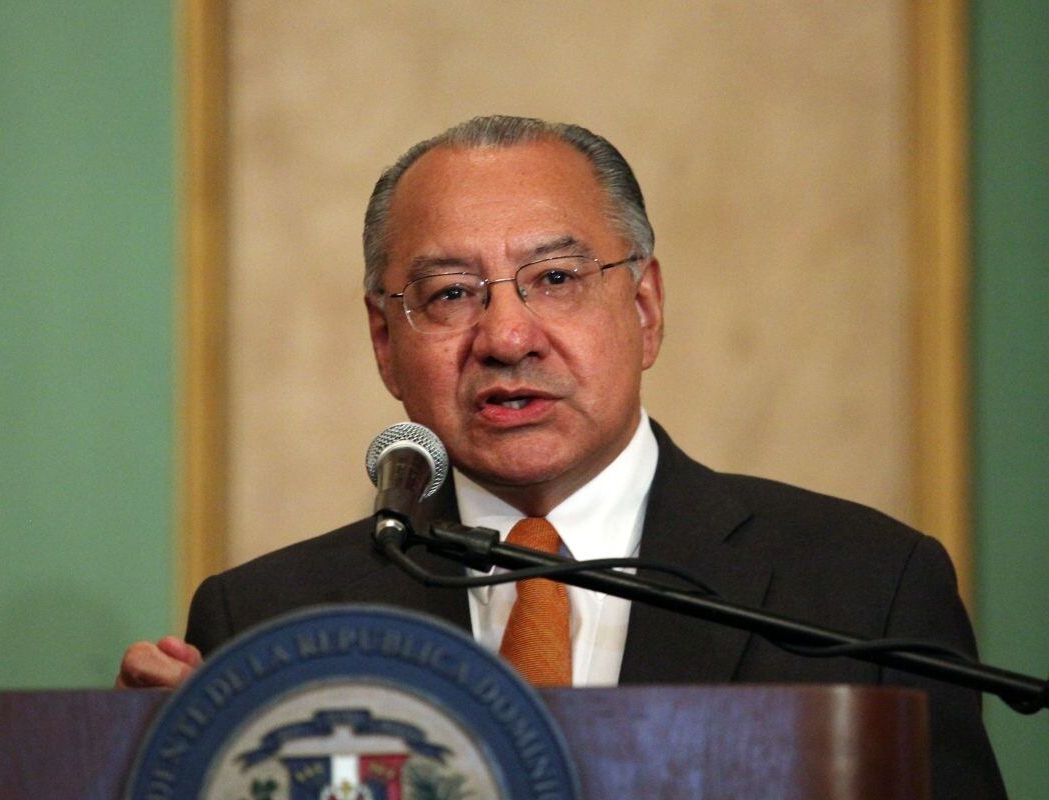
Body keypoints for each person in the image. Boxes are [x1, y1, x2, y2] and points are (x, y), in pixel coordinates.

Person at [118, 116, 1005, 797]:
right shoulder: (268, 625)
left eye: (555, 279)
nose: (507, 336)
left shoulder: (863, 591)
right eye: (450, 294)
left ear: (646, 309)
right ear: (385, 345)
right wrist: (139, 766)